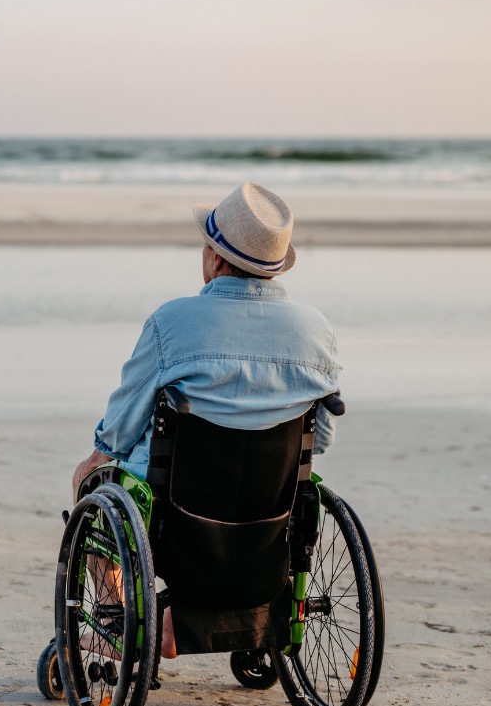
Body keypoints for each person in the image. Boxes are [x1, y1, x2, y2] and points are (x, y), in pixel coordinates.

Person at [70, 181, 341, 658]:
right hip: (270, 513)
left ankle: (116, 624)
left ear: (216, 259)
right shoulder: (316, 330)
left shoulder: (172, 323)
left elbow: (121, 426)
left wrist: (99, 457)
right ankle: (233, 621)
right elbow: (319, 440)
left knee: (92, 482)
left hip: (182, 516)